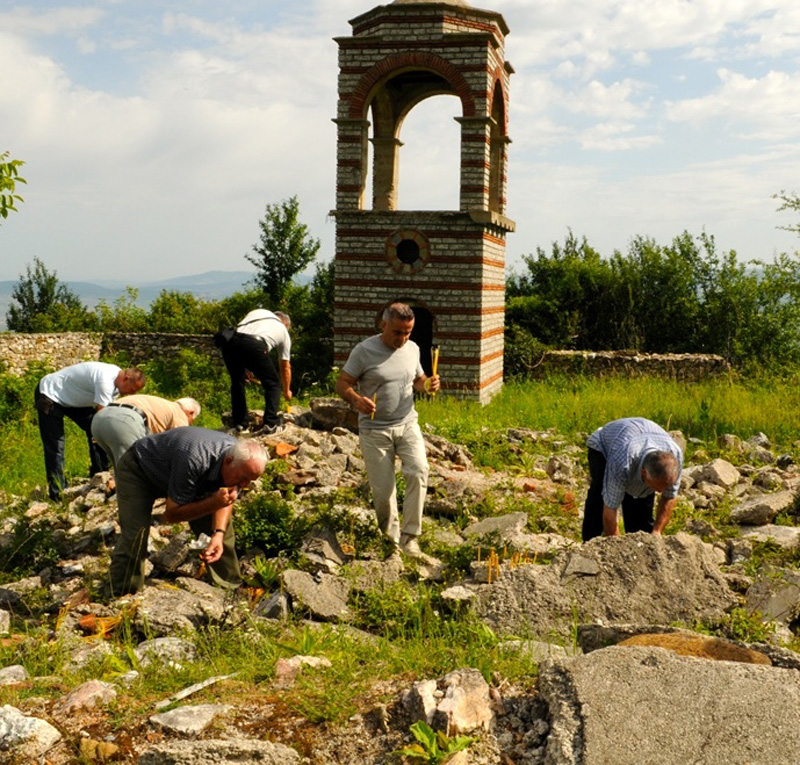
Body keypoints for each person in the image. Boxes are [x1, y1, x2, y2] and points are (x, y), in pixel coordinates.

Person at [108, 427, 267, 596]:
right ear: (228, 462)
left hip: (181, 474)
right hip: (140, 470)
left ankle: (230, 588)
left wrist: (218, 533)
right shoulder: (196, 459)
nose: (244, 485)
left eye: (250, 481)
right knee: (136, 536)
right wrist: (214, 502)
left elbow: (227, 498)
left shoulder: (239, 463)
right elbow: (172, 515)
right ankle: (121, 594)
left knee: (222, 532)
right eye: (243, 479)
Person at [335, 303, 440, 558]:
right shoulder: (364, 351)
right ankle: (390, 542)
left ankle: (410, 538)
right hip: (374, 430)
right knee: (384, 491)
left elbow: (418, 380)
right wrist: (355, 399)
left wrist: (428, 385)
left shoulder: (413, 348)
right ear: (383, 325)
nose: (403, 338)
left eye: (408, 332)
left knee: (419, 471)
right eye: (397, 332)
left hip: (407, 423)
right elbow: (342, 383)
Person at [35, 362, 145, 501]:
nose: (132, 393)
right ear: (126, 378)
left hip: (71, 398)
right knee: (56, 446)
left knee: (95, 429)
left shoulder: (117, 381)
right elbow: (103, 419)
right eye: (132, 389)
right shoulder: (105, 380)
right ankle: (57, 493)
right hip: (49, 393)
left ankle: (99, 475)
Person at [581, 417, 683, 542]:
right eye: (656, 487)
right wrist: (617, 547)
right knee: (600, 497)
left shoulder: (675, 456)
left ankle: (641, 543)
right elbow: (610, 509)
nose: (660, 492)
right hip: (603, 448)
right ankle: (589, 541)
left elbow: (669, 497)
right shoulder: (623, 461)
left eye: (663, 487)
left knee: (641, 510)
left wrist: (657, 532)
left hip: (642, 440)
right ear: (644, 472)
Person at [220, 309, 292, 435]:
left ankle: (240, 425)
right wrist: (287, 391)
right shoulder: (283, 330)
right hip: (255, 343)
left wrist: (246, 368)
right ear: (285, 324)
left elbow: (242, 339)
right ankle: (271, 424)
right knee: (273, 384)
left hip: (229, 342)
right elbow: (285, 366)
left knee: (237, 382)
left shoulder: (258, 312)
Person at [91, 394, 201, 468]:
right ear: (190, 413)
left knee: (120, 467)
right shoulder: (179, 413)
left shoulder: (161, 404)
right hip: (125, 420)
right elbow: (182, 444)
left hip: (99, 418)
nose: (190, 423)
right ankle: (133, 500)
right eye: (192, 420)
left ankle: (121, 496)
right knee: (133, 468)